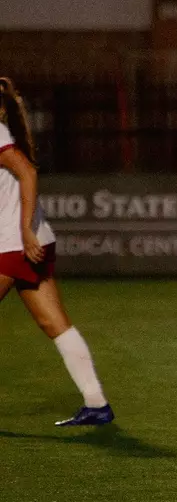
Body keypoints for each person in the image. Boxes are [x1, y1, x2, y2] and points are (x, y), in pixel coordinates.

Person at [0, 78, 114, 427]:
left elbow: (28, 173)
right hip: (30, 241)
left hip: (16, 244)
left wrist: (25, 229)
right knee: (55, 323)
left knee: (55, 323)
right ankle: (96, 404)